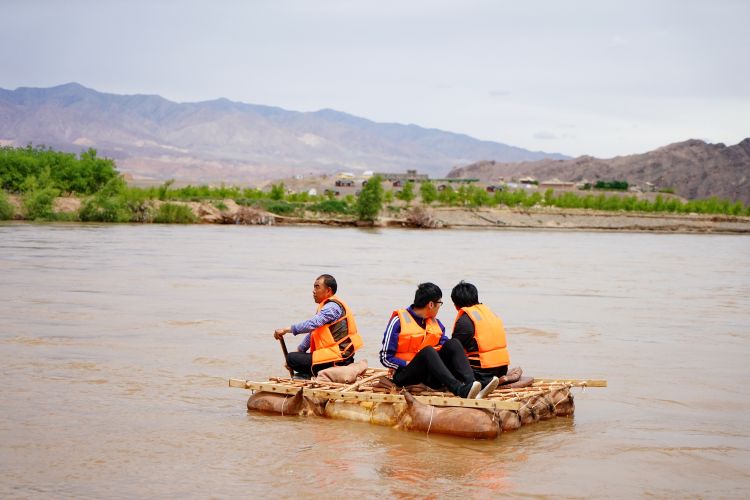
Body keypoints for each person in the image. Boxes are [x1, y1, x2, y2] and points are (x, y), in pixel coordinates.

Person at [379, 282, 483, 399]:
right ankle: (459, 389)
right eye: (440, 303)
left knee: (453, 343)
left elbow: (447, 349)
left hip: (430, 376)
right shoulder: (398, 322)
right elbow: (385, 358)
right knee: (428, 351)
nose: (440, 306)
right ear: (431, 304)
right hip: (405, 375)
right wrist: (406, 364)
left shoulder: (436, 323)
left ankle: (471, 384)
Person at [274, 274, 363, 378]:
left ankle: (310, 374)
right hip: (339, 356)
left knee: (291, 358)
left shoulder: (331, 307)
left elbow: (312, 324)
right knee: (295, 357)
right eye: (314, 287)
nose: (313, 291)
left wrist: (286, 329)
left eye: (317, 287)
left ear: (328, 291)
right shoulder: (328, 306)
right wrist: (300, 350)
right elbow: (314, 332)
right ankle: (307, 372)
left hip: (338, 359)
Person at [450, 281, 508, 394]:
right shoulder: (490, 313)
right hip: (501, 370)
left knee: (449, 351)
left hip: (481, 373)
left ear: (456, 305)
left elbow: (454, 349)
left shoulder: (466, 320)